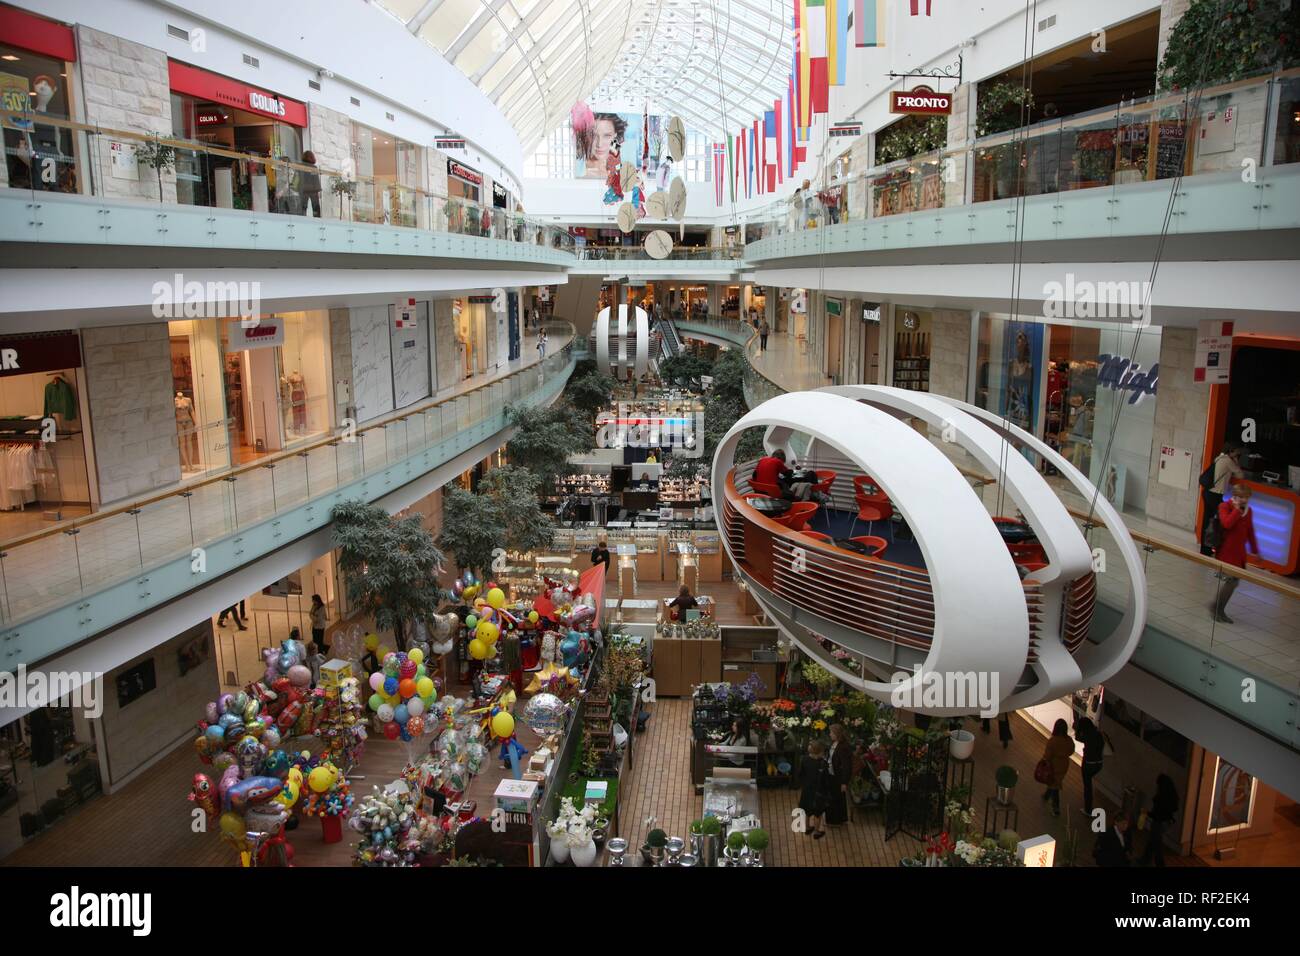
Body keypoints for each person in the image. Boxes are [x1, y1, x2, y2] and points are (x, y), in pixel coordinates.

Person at [1211, 482, 1258, 623]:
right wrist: (1237, 510)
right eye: (1243, 497)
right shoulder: (1225, 506)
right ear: (1236, 496)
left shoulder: (1249, 511)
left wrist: (1255, 550)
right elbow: (1226, 524)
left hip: (1239, 553)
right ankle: (1216, 609)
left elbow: (1250, 531)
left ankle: (1217, 608)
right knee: (1231, 581)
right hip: (1227, 551)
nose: (1245, 500)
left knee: (1233, 582)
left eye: (1247, 497)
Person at [1201, 442, 1244, 555]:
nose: (1237, 454)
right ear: (1231, 451)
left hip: (1207, 492)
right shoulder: (1229, 461)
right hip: (1215, 495)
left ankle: (1205, 549)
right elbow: (1240, 475)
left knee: (1208, 521)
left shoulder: (1219, 458)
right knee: (1221, 522)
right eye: (1236, 452)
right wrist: (1235, 460)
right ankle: (1218, 547)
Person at [1138, 774, 1178, 867]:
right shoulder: (1171, 796)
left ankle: (1156, 863)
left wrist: (1146, 813)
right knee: (1153, 842)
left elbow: (1157, 814)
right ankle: (1145, 859)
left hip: (1158, 823)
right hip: (1165, 823)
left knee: (1156, 845)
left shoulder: (1161, 798)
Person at [1040, 718, 1074, 817]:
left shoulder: (1053, 741)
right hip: (1064, 765)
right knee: (1056, 782)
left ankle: (1056, 808)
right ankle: (1047, 795)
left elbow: (1047, 755)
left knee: (1055, 785)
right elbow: (1071, 751)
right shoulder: (1069, 740)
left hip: (1053, 765)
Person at [797, 740, 830, 839]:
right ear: (820, 752)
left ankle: (807, 828)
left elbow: (800, 774)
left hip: (807, 790)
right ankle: (816, 832)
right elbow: (826, 780)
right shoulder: (823, 764)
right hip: (818, 792)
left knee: (807, 810)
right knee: (817, 813)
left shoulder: (804, 759)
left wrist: (804, 784)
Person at [1074, 716, 1105, 816]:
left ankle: (1088, 809)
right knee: (1089, 784)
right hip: (1099, 764)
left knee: (1088, 787)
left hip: (1088, 764)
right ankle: (1088, 808)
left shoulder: (1087, 736)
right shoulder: (1098, 734)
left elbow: (1077, 737)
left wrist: (1078, 729)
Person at [825, 723, 852, 826]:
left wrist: (844, 782)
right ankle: (839, 819)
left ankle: (835, 821)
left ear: (837, 734)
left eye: (831, 732)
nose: (830, 734)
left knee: (836, 799)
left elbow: (846, 766)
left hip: (838, 777)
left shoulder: (843, 747)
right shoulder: (835, 743)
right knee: (836, 797)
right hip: (832, 774)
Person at [298, 150, 321, 217]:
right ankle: (317, 221)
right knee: (315, 206)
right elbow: (315, 179)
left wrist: (297, 188)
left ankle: (302, 220)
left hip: (303, 189)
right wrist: (318, 190)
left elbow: (297, 177)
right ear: (312, 157)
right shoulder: (313, 167)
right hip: (313, 189)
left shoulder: (299, 166)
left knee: (303, 207)